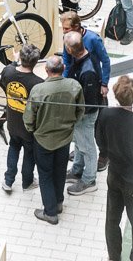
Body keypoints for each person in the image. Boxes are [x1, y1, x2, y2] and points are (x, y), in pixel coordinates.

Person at [96, 76, 133, 261]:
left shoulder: (105, 115)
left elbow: (100, 140)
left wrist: (106, 152)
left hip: (114, 176)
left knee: (112, 220)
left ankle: (114, 256)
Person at [24, 54, 83, 226]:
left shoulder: (38, 90)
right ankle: (58, 203)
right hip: (64, 139)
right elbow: (80, 111)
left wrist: (33, 130)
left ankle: (50, 212)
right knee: (60, 170)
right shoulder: (74, 86)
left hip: (43, 139)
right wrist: (71, 124)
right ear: (63, 69)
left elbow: (29, 118)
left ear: (46, 70)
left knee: (45, 174)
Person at [63, 31, 105, 196]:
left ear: (71, 49)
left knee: (87, 146)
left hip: (86, 114)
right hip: (80, 112)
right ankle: (77, 170)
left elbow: (87, 102)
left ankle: (89, 180)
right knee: (80, 143)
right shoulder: (81, 57)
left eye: (66, 46)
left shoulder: (88, 72)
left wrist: (74, 114)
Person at [0, 43, 42, 193]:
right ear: (36, 62)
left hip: (12, 122)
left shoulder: (8, 72)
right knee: (29, 154)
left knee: (13, 147)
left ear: (20, 57)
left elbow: (8, 71)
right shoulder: (38, 83)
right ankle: (27, 182)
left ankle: (8, 181)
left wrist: (15, 61)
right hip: (28, 127)